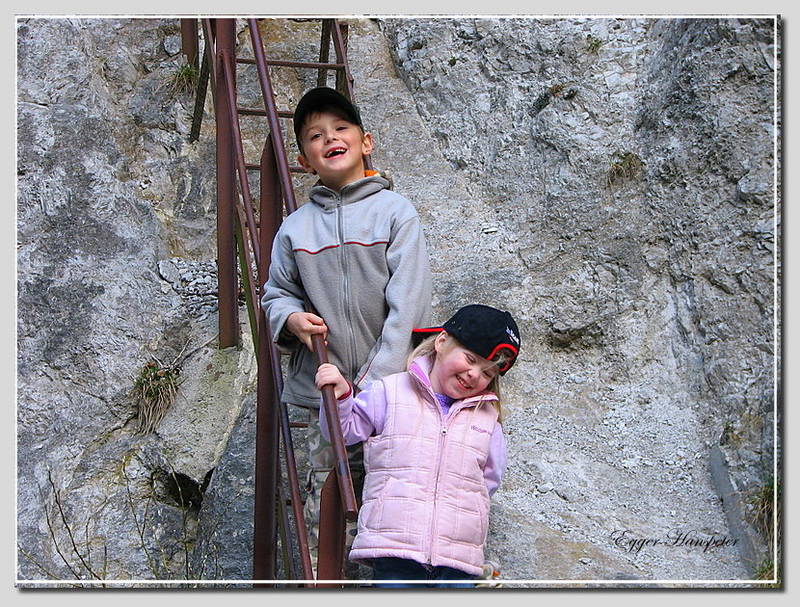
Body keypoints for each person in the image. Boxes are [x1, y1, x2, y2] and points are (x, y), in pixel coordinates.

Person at [260, 86, 433, 573]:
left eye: (340, 128)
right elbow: (276, 293)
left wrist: (373, 384)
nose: (330, 139)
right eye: (315, 135)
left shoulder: (396, 213)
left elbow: (409, 306)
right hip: (325, 397)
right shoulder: (295, 228)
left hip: (392, 394)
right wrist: (290, 319)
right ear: (303, 158)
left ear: (366, 141)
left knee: (389, 501)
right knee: (327, 502)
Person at [315, 304, 521, 587]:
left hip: (458, 558)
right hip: (395, 548)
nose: (475, 375)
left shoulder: (487, 420)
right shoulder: (390, 392)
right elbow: (344, 432)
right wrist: (340, 397)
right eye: (470, 359)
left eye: (487, 373)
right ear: (442, 342)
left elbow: (488, 482)